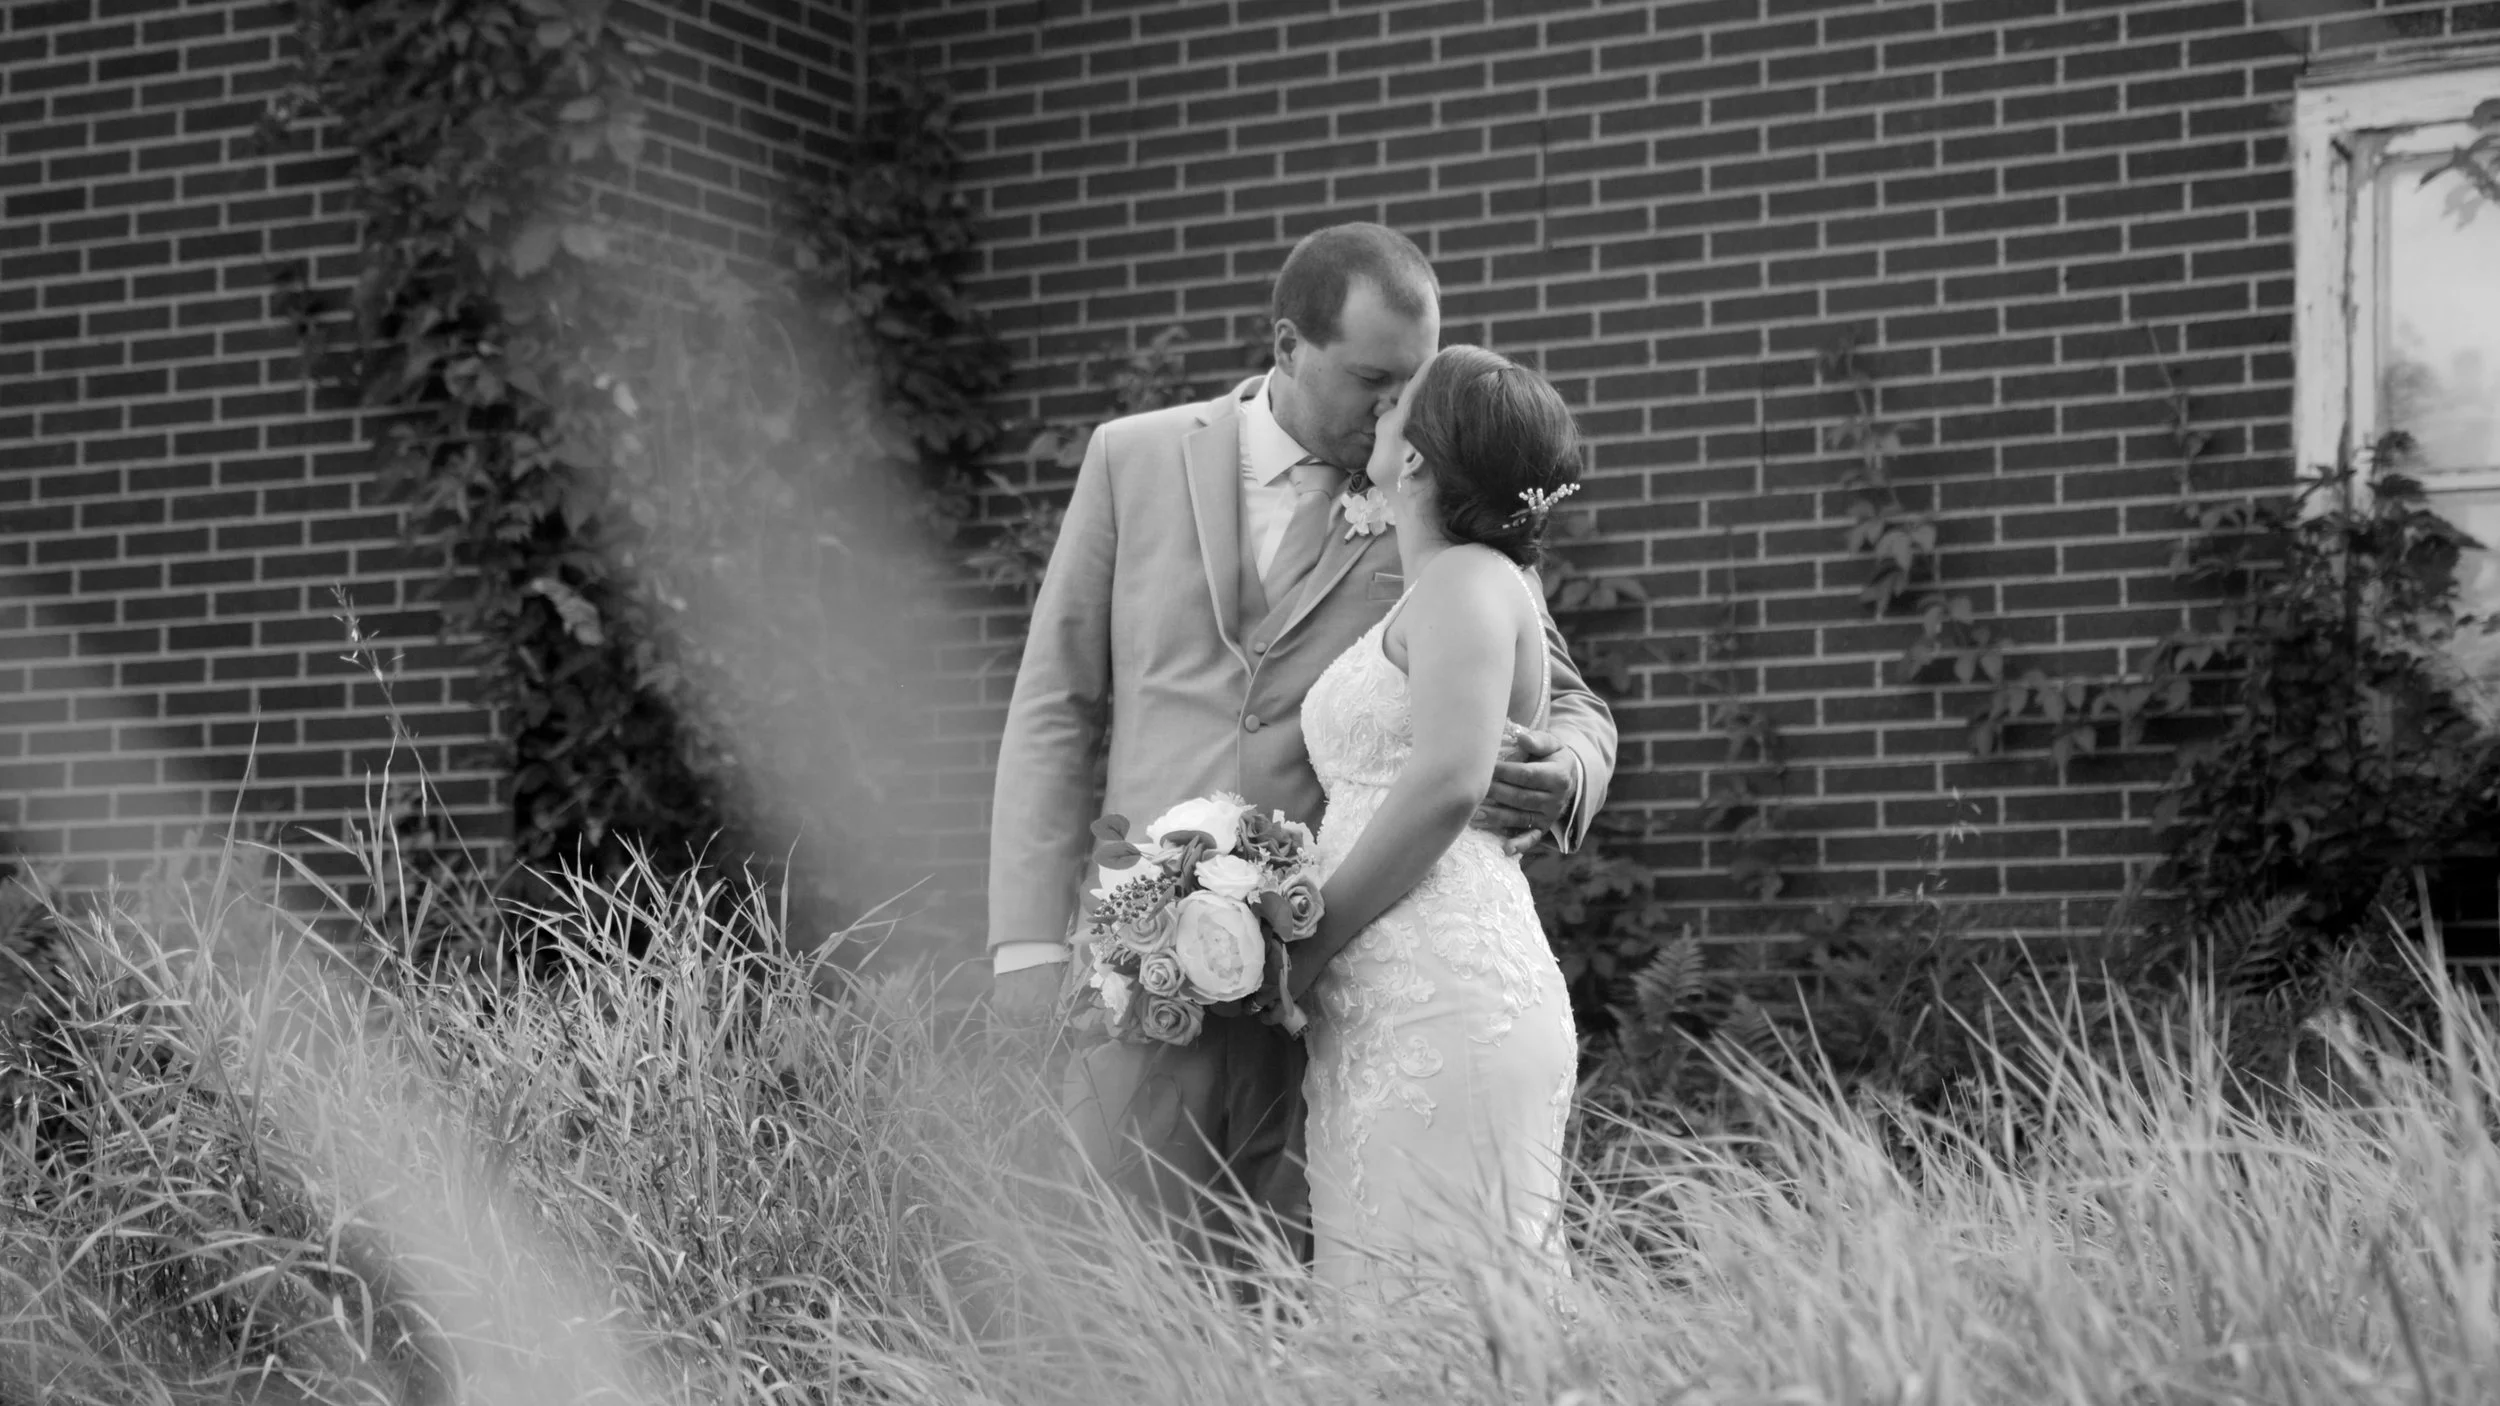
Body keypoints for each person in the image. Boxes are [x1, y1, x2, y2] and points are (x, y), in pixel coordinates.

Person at [985, 223, 1616, 1264]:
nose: (1397, 413)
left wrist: (1567, 772)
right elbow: (1056, 699)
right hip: (1140, 975)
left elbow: (1569, 694)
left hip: (1336, 974)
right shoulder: (1131, 458)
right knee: (1109, 1287)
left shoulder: (1436, 494)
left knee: (1307, 1287)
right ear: (1287, 345)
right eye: (1373, 379)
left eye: (1412, 386)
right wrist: (1024, 939)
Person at [1287, 345, 1585, 1294]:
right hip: (1398, 1003)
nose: (1378, 408)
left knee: (1446, 1326)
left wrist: (1305, 946)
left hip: (1445, 1001)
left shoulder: (1464, 581)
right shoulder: (1453, 586)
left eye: (1396, 403)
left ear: (1413, 458)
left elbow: (1450, 782)